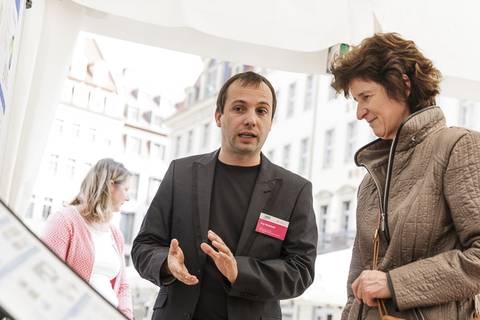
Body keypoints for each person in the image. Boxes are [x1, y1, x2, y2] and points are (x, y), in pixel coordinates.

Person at [132, 71, 318, 320]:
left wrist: (238, 271)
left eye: (262, 111)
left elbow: (301, 270)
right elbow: (144, 246)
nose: (251, 120)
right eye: (239, 108)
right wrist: (166, 263)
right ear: (219, 117)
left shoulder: (294, 190)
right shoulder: (181, 174)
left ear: (271, 122)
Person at [330, 32, 480, 320]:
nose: (359, 112)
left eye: (366, 97)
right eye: (355, 101)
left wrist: (395, 283)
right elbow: (356, 286)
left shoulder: (457, 147)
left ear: (403, 85)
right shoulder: (372, 175)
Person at [41, 158, 133, 319]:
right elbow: (47, 274)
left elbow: (123, 286)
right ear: (111, 186)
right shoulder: (64, 220)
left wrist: (127, 316)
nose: (128, 197)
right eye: (126, 189)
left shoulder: (116, 235)